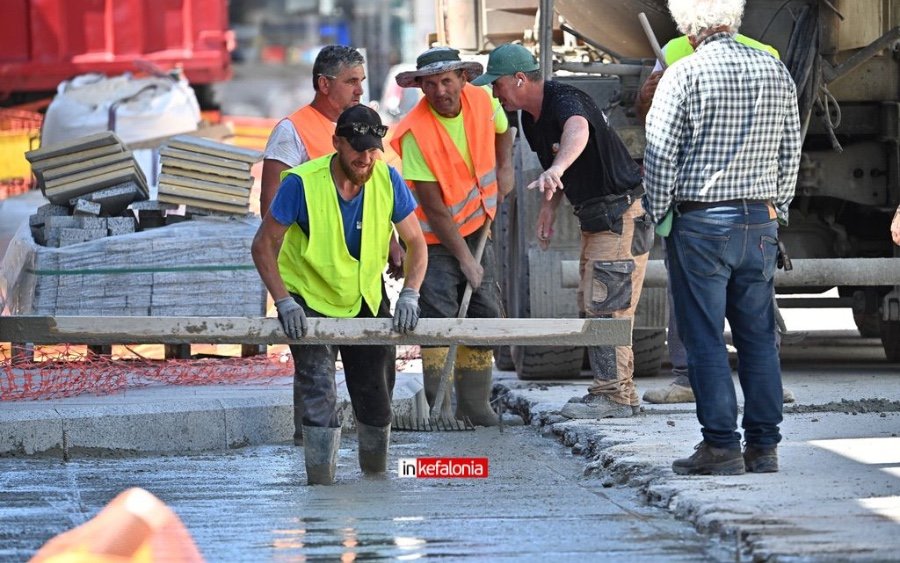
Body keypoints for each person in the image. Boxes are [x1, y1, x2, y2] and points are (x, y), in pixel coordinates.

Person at [643, 0, 802, 475]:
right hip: (760, 222)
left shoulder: (683, 73)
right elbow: (790, 152)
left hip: (701, 225)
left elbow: (659, 156)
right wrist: (779, 211)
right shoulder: (775, 71)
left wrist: (657, 215)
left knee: (705, 338)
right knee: (758, 337)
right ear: (733, 19)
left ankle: (720, 446)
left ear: (688, 29)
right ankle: (764, 447)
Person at [473, 44, 653, 419]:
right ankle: (620, 392)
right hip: (596, 219)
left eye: (498, 84)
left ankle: (613, 397)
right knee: (597, 306)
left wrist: (557, 169)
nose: (494, 92)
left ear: (519, 79)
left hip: (618, 216)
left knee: (608, 309)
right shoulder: (529, 118)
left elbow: (578, 130)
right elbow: (553, 165)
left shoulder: (564, 99)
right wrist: (548, 209)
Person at [251, 105, 427, 485]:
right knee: (319, 393)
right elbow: (263, 245)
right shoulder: (301, 184)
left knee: (376, 398)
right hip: (310, 300)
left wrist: (410, 294)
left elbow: (416, 241)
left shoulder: (386, 178)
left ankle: (376, 482)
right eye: (356, 150)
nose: (365, 159)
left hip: (365, 297)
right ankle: (321, 491)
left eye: (372, 151)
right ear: (336, 144)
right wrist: (283, 300)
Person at [260, 45, 404, 445]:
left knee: (376, 375)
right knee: (316, 375)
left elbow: (379, 195)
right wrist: (287, 293)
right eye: (350, 81)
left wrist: (390, 239)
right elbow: (271, 212)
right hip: (310, 283)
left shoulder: (367, 126)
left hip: (360, 283)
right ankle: (313, 449)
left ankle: (372, 451)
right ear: (324, 84)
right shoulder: (292, 131)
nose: (360, 89)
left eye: (361, 81)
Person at [389, 46, 514, 426]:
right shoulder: (415, 132)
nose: (439, 91)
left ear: (463, 79)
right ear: (421, 87)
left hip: (478, 225)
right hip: (434, 241)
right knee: (439, 315)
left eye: (446, 81)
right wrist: (464, 259)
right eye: (430, 84)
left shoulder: (483, 99)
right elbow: (435, 208)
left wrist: (505, 167)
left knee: (484, 311)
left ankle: (475, 406)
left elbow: (503, 132)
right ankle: (439, 407)